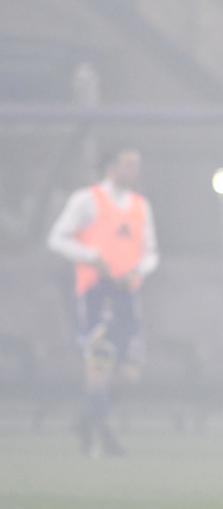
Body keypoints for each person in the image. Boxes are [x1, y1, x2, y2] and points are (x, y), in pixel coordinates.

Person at [47, 148, 158, 458]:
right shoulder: (87, 200)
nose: (134, 170)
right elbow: (57, 238)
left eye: (137, 164)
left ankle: (85, 420)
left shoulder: (140, 206)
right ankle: (105, 436)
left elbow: (151, 251)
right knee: (98, 366)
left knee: (130, 372)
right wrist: (92, 258)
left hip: (127, 294)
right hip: (96, 293)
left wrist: (139, 270)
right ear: (111, 166)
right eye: (128, 164)